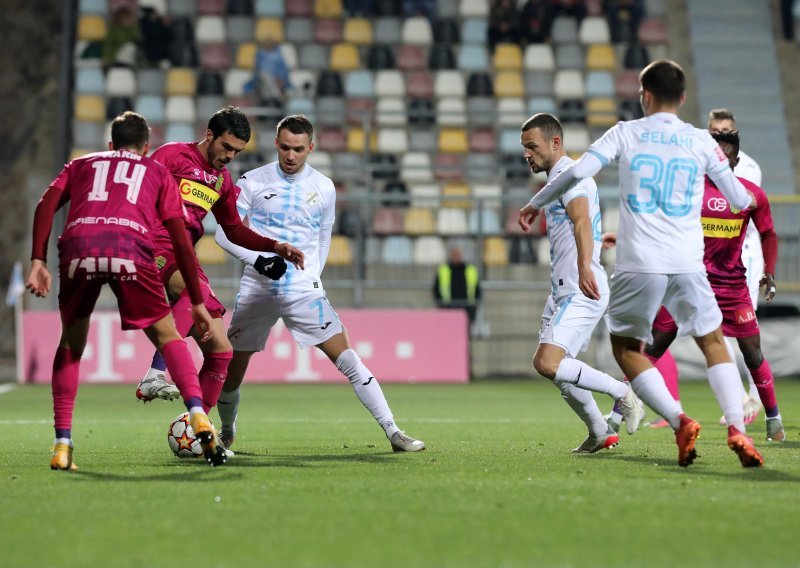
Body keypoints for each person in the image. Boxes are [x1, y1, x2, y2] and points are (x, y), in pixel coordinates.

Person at [518, 60, 765, 468]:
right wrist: (749, 201)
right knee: (713, 342)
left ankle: (678, 419)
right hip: (687, 260)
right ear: (683, 98)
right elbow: (740, 199)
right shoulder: (700, 140)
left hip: (638, 264)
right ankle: (736, 428)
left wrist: (535, 203)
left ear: (644, 96)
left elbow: (578, 172)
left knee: (629, 351)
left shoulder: (625, 132)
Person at [26, 111, 226, 469]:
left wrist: (37, 260)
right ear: (146, 147)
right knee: (168, 337)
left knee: (71, 344)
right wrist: (196, 299)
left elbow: (45, 204)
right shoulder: (157, 170)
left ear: (110, 144)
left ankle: (62, 445)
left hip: (79, 246)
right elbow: (180, 238)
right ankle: (198, 416)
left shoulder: (81, 163)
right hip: (130, 248)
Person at [214, 115, 425, 453]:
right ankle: (227, 431)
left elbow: (323, 236)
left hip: (302, 291)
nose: (291, 155)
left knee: (348, 358)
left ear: (310, 147)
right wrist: (258, 260)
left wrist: (314, 275)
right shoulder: (252, 181)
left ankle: (393, 431)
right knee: (233, 371)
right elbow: (224, 233)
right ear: (276, 144)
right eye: (285, 147)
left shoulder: (324, 187)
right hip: (257, 287)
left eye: (298, 149)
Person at [611, 131, 784, 441]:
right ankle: (615, 415)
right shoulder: (687, 192)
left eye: (726, 154)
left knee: (752, 354)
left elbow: (769, 234)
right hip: (687, 282)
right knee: (651, 347)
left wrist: (769, 272)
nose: (720, 159)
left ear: (735, 160)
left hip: (732, 286)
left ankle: (774, 420)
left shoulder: (750, 195)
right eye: (715, 154)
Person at [134, 107, 304, 423]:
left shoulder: (222, 181)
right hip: (152, 246)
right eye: (226, 147)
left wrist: (274, 246)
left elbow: (235, 230)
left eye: (237, 151)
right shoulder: (172, 156)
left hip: (183, 257)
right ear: (209, 135)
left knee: (221, 350)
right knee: (194, 289)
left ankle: (198, 428)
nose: (230, 156)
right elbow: (138, 194)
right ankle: (156, 373)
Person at [520, 113, 643, 453]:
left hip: (581, 288)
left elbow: (581, 223)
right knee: (561, 372)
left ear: (555, 143)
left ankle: (622, 393)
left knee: (547, 362)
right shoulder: (559, 179)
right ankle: (600, 432)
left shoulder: (571, 176)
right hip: (562, 291)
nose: (527, 154)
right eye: (524, 148)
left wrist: (585, 266)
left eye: (532, 146)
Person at [708, 108, 766, 423]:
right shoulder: (701, 163)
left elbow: (737, 205)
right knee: (714, 329)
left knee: (745, 332)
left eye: (726, 130)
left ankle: (756, 398)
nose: (721, 136)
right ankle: (740, 398)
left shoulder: (749, 167)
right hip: (713, 255)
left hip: (743, 254)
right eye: (715, 130)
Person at [433, 247, 481, 327]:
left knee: (465, 332)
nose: (456, 258)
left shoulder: (470, 270)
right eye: (454, 256)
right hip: (448, 306)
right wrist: (441, 304)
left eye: (458, 255)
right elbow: (436, 288)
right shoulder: (443, 269)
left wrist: (473, 306)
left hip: (467, 307)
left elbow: (477, 289)